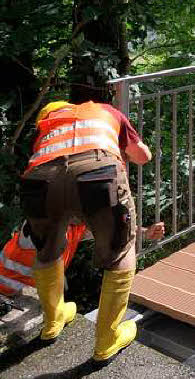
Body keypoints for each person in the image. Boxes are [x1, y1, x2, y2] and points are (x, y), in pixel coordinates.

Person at [19, 97, 152, 361]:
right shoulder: (105, 111)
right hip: (97, 172)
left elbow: (47, 161)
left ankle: (53, 320)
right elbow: (142, 157)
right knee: (120, 251)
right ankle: (107, 339)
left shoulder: (46, 125)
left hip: (40, 179)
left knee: (46, 249)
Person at [0, 218, 165, 299]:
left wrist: (145, 232)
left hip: (28, 293)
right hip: (11, 293)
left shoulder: (75, 224)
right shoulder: (45, 224)